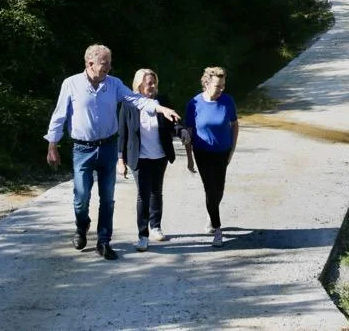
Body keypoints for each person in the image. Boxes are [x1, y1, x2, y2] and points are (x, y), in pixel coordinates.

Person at [45, 44, 181, 260]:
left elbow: (136, 99)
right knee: (81, 197)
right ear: (90, 64)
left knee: (107, 199)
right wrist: (53, 145)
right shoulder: (71, 84)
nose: (109, 67)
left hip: (108, 147)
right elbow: (59, 115)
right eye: (104, 63)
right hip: (82, 149)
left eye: (109, 63)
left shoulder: (114, 84)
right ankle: (82, 228)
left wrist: (160, 108)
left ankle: (103, 241)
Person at [117, 68, 190, 252]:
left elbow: (173, 123)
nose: (152, 86)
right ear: (139, 84)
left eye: (154, 83)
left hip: (160, 155)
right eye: (149, 83)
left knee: (156, 191)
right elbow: (122, 134)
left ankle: (155, 226)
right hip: (139, 156)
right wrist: (120, 159)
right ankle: (143, 235)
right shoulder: (129, 104)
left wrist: (181, 132)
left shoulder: (162, 102)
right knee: (143, 193)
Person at [185, 66, 239, 248]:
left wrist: (232, 149)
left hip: (222, 152)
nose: (221, 89)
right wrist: (189, 158)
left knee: (219, 189)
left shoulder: (228, 101)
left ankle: (211, 211)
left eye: (223, 85)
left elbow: (234, 125)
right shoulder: (194, 103)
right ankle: (217, 229)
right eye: (218, 86)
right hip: (202, 152)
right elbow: (189, 132)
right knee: (210, 189)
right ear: (206, 84)